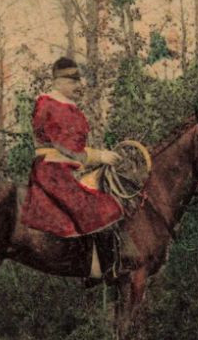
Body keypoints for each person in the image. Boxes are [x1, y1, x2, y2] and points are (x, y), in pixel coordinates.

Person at [20, 57, 125, 279]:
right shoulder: (48, 105)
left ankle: (99, 266)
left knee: (107, 199)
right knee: (98, 208)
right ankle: (98, 271)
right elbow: (66, 147)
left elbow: (75, 148)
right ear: (57, 81)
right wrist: (100, 156)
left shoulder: (70, 107)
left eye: (78, 80)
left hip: (67, 170)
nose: (78, 85)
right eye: (72, 80)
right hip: (51, 172)